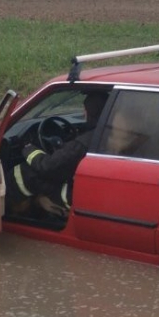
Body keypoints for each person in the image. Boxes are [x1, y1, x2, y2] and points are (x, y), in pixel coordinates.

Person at [12, 91, 109, 221]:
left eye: (85, 110)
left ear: (91, 113)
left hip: (74, 193)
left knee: (26, 173)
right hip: (96, 190)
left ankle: (13, 209)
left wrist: (28, 148)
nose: (83, 114)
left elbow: (47, 166)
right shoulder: (106, 134)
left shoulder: (82, 143)